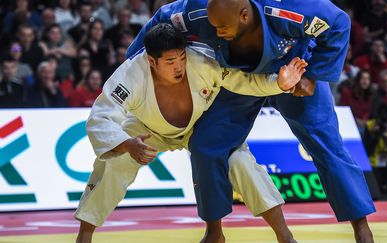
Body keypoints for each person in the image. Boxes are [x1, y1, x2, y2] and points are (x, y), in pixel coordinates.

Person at [127, 0, 376, 242]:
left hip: (294, 71)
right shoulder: (199, 10)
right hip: (240, 79)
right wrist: (131, 71)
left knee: (327, 145)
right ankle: (214, 231)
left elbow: (339, 22)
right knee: (205, 145)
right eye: (213, 25)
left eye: (221, 26)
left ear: (244, 15)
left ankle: (361, 227)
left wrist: (313, 74)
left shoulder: (288, 8)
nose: (215, 31)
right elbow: (158, 22)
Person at [75, 23, 307, 243]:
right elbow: (101, 116)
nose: (179, 66)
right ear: (151, 61)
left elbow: (242, 81)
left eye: (181, 57)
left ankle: (284, 236)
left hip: (200, 125)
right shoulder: (130, 75)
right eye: (170, 61)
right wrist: (126, 144)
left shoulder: (202, 62)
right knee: (115, 160)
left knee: (239, 161)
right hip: (146, 129)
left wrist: (278, 83)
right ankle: (84, 236)